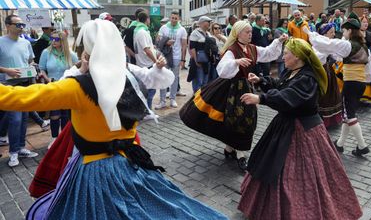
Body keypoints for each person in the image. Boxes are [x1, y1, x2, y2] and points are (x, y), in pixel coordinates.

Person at [0, 19, 227, 219]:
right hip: (131, 162)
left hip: (96, 171)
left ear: (88, 51)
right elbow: (153, 79)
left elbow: (17, 98)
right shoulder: (128, 76)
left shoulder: (76, 87)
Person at [237, 38, 362, 220]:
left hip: (304, 131)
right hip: (287, 125)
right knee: (273, 165)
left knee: (299, 173)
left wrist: (261, 99)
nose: (283, 56)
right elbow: (282, 85)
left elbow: (289, 96)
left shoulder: (307, 78)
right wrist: (261, 81)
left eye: (286, 53)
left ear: (297, 56)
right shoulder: (295, 71)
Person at [180, 20, 287, 171]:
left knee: (242, 120)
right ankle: (241, 154)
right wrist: (236, 62)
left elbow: (268, 53)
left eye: (250, 32)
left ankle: (230, 149)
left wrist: (278, 41)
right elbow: (222, 69)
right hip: (231, 90)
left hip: (246, 87)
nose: (250, 34)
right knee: (238, 120)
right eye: (247, 32)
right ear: (238, 33)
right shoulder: (232, 50)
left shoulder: (252, 48)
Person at [306, 15, 371, 156]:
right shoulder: (364, 47)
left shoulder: (348, 45)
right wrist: (369, 80)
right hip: (360, 83)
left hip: (351, 83)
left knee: (350, 115)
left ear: (350, 31)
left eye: (344, 31)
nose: (342, 33)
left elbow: (328, 44)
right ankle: (340, 144)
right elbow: (368, 70)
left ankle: (362, 145)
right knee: (347, 114)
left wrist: (310, 33)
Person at [0, 15, 39, 167]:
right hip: (8, 86)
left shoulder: (25, 43)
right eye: (18, 25)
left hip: (25, 83)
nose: (21, 27)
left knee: (23, 118)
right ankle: (13, 152)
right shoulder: (1, 42)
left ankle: (21, 147)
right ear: (8, 26)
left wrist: (33, 67)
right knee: (15, 119)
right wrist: (6, 70)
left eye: (22, 24)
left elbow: (30, 61)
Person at [39, 30, 79, 148]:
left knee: (66, 114)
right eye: (52, 39)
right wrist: (47, 79)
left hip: (67, 87)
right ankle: (54, 138)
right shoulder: (46, 53)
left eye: (56, 39)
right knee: (54, 114)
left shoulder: (70, 54)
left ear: (62, 41)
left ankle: (65, 138)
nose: (53, 41)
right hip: (53, 86)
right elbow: (42, 69)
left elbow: (77, 69)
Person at [155, 11, 188, 109]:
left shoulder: (182, 30)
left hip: (176, 57)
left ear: (178, 19)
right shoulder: (164, 28)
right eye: (172, 18)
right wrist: (166, 42)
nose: (173, 20)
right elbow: (157, 41)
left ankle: (173, 99)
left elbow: (184, 45)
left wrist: (183, 59)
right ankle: (162, 101)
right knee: (163, 77)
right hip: (164, 56)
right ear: (170, 18)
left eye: (175, 18)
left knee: (175, 78)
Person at [315, 23, 343, 128]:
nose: (333, 34)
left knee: (331, 94)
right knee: (324, 95)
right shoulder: (319, 44)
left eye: (334, 32)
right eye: (331, 32)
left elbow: (338, 56)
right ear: (325, 33)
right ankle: (323, 119)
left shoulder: (328, 43)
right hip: (320, 71)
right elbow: (316, 57)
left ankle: (330, 120)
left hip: (327, 70)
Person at [133, 11, 158, 118]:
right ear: (147, 19)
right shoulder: (142, 32)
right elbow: (146, 50)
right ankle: (147, 112)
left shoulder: (138, 30)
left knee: (147, 89)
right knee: (150, 89)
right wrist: (156, 61)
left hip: (143, 64)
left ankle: (147, 111)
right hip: (146, 65)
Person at [188, 16, 215, 92]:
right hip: (199, 60)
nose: (210, 23)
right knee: (199, 81)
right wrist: (196, 60)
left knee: (205, 81)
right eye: (208, 22)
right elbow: (192, 48)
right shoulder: (195, 33)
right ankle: (197, 98)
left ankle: (202, 99)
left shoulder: (208, 33)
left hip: (207, 61)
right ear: (202, 23)